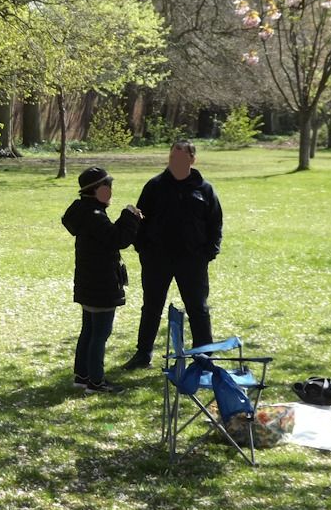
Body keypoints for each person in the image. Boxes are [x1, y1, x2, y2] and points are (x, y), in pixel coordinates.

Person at [122, 139, 223, 370]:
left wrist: (209, 252)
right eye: (172, 158)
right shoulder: (154, 186)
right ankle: (143, 354)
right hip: (157, 258)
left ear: (192, 159)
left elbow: (215, 222)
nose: (175, 162)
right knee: (151, 307)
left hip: (192, 259)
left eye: (181, 158)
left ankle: (204, 356)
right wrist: (143, 248)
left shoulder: (204, 189)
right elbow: (139, 220)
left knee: (198, 308)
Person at [61, 166, 142, 394]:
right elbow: (118, 239)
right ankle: (95, 382)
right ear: (98, 191)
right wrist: (130, 216)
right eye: (108, 188)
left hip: (88, 283)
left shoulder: (84, 211)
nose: (111, 193)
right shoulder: (95, 216)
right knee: (100, 334)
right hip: (101, 285)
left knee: (88, 330)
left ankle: (82, 375)